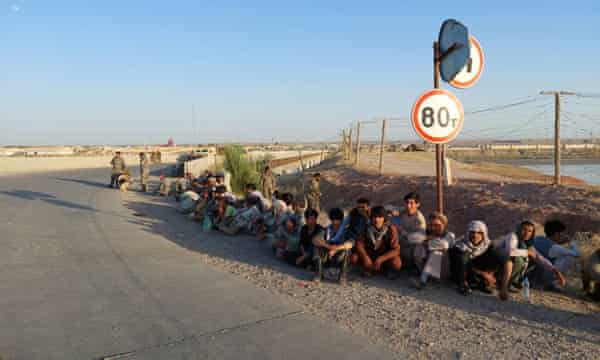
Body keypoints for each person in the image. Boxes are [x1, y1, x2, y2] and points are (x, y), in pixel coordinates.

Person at [493, 220, 562, 301]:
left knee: (532, 260)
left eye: (530, 231)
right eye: (524, 230)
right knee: (515, 260)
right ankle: (503, 285)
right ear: (519, 229)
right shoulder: (513, 236)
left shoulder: (527, 243)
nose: (526, 233)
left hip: (507, 264)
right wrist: (527, 252)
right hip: (495, 262)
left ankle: (513, 283)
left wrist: (555, 271)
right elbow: (510, 252)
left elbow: (539, 258)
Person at [450, 221, 503, 296]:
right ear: (468, 233)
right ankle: (463, 284)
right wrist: (484, 274)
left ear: (484, 234)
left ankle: (489, 282)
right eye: (472, 232)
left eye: (479, 233)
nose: (475, 235)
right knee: (464, 256)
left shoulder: (487, 244)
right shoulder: (460, 245)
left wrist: (491, 275)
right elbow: (464, 265)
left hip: (478, 272)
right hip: (463, 274)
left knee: (497, 253)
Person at [352, 206, 402, 278]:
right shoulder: (367, 227)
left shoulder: (391, 228)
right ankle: (368, 268)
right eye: (374, 217)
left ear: (384, 218)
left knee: (396, 263)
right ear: (371, 218)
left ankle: (384, 270)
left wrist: (380, 259)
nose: (376, 220)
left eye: (380, 217)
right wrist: (365, 257)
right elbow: (359, 245)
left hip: (385, 256)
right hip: (371, 254)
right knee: (354, 257)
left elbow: (396, 250)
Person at [412, 212, 455, 289]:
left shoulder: (449, 235)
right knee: (418, 248)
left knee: (436, 252)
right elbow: (412, 238)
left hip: (443, 269)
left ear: (444, 225)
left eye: (437, 225)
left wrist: (426, 242)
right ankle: (425, 276)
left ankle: (423, 281)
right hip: (427, 266)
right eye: (431, 225)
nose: (433, 228)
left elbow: (444, 245)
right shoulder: (427, 233)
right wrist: (427, 238)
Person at [312, 208, 354, 284]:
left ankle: (342, 276)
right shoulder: (326, 230)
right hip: (327, 256)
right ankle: (318, 274)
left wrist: (336, 249)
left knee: (347, 250)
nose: (335, 222)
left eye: (337, 219)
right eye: (333, 219)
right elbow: (315, 240)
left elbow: (350, 243)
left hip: (339, 257)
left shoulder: (346, 231)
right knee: (317, 248)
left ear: (341, 220)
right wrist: (328, 246)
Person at [397, 192, 427, 268]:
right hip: (403, 241)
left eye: (411, 203)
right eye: (407, 203)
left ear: (417, 204)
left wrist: (404, 234)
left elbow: (420, 237)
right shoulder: (404, 212)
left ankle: (419, 270)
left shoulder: (419, 219)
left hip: (412, 244)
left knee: (419, 249)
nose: (408, 206)